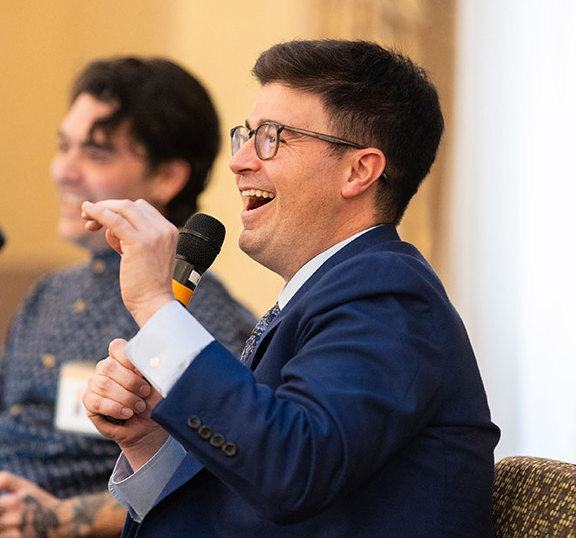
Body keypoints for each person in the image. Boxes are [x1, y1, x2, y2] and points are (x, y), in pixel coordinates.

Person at [81, 39, 501, 537]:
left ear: (358, 170)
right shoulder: (325, 293)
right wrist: (150, 440)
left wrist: (155, 303)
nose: (239, 162)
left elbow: (292, 470)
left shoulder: (390, 297)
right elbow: (250, 494)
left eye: (272, 137)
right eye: (246, 135)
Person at [0, 56, 256, 537]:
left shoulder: (202, 319)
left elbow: (207, 493)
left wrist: (59, 519)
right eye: (63, 147)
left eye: (95, 153)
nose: (62, 170)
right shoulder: (51, 293)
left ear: (168, 177)